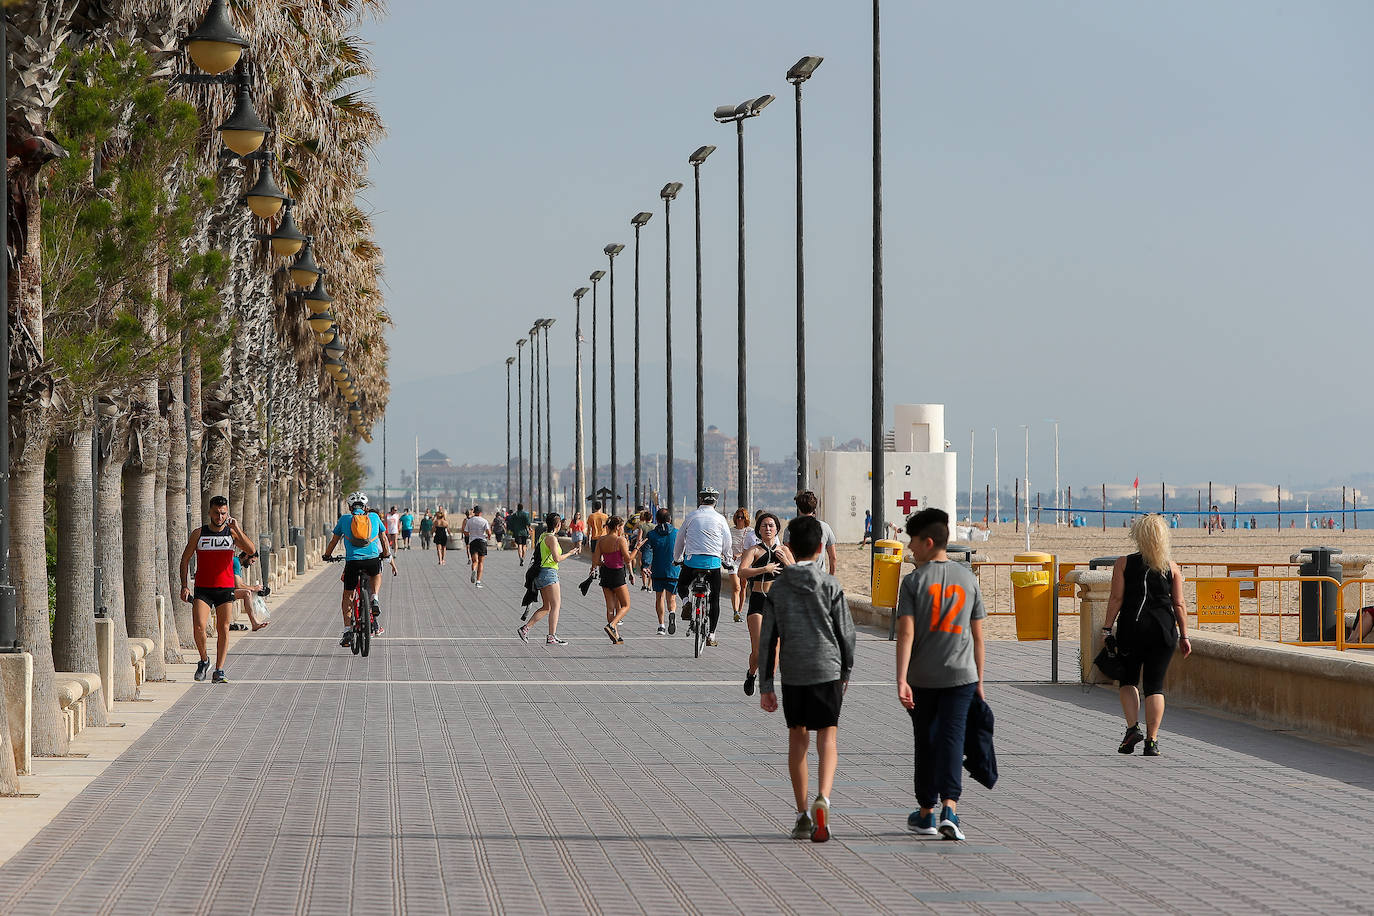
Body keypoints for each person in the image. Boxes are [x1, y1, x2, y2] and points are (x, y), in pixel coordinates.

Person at [757, 516, 855, 844]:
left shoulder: (779, 588)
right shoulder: (830, 585)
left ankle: (801, 815)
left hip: (794, 673)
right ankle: (823, 798)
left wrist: (767, 686)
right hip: (827, 670)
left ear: (790, 547)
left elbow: (768, 638)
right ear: (818, 548)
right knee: (828, 738)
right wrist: (846, 672)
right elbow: (847, 634)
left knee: (797, 739)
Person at [895, 507, 987, 842]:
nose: (910, 549)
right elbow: (978, 636)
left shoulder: (913, 582)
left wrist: (901, 678)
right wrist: (980, 681)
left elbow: (906, 633)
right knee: (952, 740)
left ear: (929, 541)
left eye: (913, 542)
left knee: (926, 742)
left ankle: (926, 812)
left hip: (923, 678)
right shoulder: (969, 579)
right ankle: (951, 808)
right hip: (962, 677)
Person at [1103, 514, 1192, 757]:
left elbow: (1116, 599)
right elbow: (1179, 603)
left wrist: (1107, 628)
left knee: (1129, 680)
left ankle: (1133, 728)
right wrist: (1184, 635)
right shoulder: (1172, 567)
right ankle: (1152, 741)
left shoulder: (1124, 563)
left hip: (1133, 629)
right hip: (1163, 630)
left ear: (1138, 536)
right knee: (1154, 685)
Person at [177, 495, 260, 683]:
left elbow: (251, 549)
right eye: (216, 513)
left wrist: (236, 527)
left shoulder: (231, 534)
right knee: (199, 626)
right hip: (203, 588)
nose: (220, 517)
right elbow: (185, 559)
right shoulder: (199, 533)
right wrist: (184, 586)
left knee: (223, 628)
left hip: (225, 588)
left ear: (227, 513)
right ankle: (204, 660)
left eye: (223, 513)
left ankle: (219, 670)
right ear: (210, 512)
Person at [323, 491, 398, 646]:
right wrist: (385, 554)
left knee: (348, 596)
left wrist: (327, 555)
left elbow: (334, 541)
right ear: (365, 507)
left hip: (353, 562)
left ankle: (347, 631)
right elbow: (384, 538)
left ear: (350, 507)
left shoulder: (344, 519)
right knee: (376, 574)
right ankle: (374, 598)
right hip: (371, 560)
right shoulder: (374, 517)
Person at [740, 512, 793, 696]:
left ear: (777, 528)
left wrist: (785, 560)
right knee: (758, 649)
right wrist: (765, 568)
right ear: (759, 530)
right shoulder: (754, 550)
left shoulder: (784, 550)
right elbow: (742, 572)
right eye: (764, 526)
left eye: (771, 525)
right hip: (758, 601)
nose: (768, 529)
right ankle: (751, 673)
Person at [672, 487, 734, 646]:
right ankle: (712, 635)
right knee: (714, 599)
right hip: (713, 563)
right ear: (715, 502)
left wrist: (677, 558)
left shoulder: (691, 516)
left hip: (692, 561)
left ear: (700, 500)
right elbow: (727, 542)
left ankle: (686, 602)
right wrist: (727, 560)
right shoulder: (720, 519)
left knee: (682, 585)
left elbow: (680, 540)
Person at [517, 512, 574, 645]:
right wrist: (570, 553)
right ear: (558, 525)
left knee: (547, 606)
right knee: (556, 606)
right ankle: (551, 636)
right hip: (549, 573)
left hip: (540, 573)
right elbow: (557, 558)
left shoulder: (543, 536)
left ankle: (525, 629)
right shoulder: (552, 539)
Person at [594, 516, 633, 644]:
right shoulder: (620, 540)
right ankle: (612, 625)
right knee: (626, 605)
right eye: (621, 526)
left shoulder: (601, 540)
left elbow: (596, 561)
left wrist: (605, 563)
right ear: (617, 527)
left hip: (605, 573)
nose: (622, 529)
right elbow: (628, 559)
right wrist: (637, 548)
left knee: (610, 607)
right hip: (617, 574)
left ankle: (615, 635)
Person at [644, 508, 680, 635]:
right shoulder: (677, 533)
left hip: (658, 570)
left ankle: (661, 625)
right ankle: (672, 613)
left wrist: (645, 565)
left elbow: (647, 550)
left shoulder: (652, 535)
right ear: (670, 519)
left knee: (659, 597)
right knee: (672, 599)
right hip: (673, 570)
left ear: (656, 520)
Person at [784, 490, 838, 575]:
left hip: (798, 576)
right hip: (819, 576)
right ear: (814, 508)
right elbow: (833, 557)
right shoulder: (825, 527)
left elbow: (788, 555)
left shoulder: (790, 529)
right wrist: (831, 576)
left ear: (798, 508)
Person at [728, 508, 760, 621]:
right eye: (738, 517)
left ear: (746, 519)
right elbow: (727, 546)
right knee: (736, 587)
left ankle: (740, 611)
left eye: (742, 517)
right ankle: (735, 611)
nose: (739, 519)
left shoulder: (750, 532)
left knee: (743, 586)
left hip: (745, 562)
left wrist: (740, 554)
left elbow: (751, 548)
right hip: (732, 562)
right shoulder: (730, 531)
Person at [465, 505, 493, 587]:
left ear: (474, 512)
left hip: (473, 542)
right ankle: (478, 581)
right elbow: (489, 532)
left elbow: (465, 532)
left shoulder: (469, 521)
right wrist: (489, 537)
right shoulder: (484, 521)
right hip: (482, 542)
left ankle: (473, 569)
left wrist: (471, 535)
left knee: (475, 561)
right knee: (481, 562)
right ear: (481, 512)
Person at [625, 509, 647, 592]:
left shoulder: (638, 523)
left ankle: (633, 569)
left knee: (633, 557)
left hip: (637, 542)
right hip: (645, 543)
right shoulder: (647, 524)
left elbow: (633, 530)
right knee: (643, 559)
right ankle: (644, 575)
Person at [636, 509, 654, 591]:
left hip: (644, 547)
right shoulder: (654, 527)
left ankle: (644, 584)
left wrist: (638, 547)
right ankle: (649, 586)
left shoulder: (642, 526)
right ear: (652, 518)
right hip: (653, 547)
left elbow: (639, 538)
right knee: (651, 567)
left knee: (643, 565)